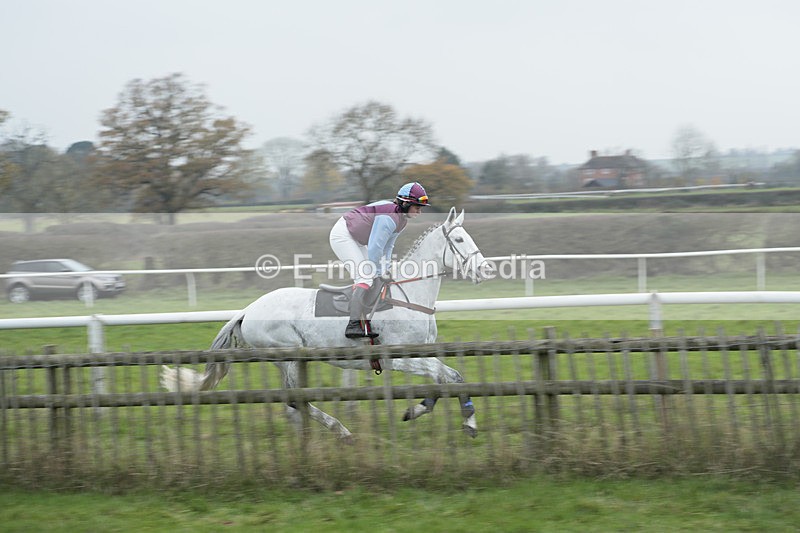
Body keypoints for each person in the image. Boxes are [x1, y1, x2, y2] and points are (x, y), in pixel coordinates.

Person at [329, 181, 430, 338]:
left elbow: (388, 248)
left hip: (357, 239)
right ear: (405, 203)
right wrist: (378, 271)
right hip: (343, 236)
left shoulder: (401, 220)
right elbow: (375, 248)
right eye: (417, 207)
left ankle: (365, 318)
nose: (419, 212)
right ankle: (353, 325)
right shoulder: (389, 217)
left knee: (374, 275)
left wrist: (386, 269)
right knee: (365, 276)